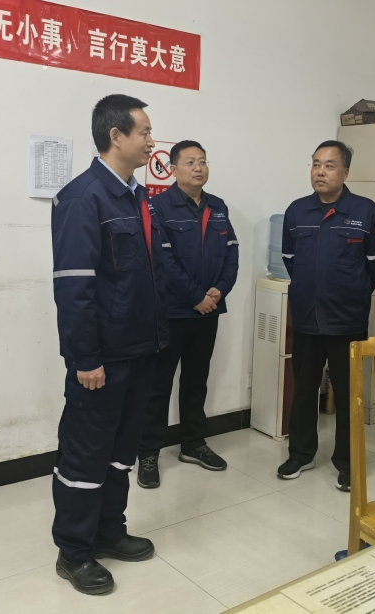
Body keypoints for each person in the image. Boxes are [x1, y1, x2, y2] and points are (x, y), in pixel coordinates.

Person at [50, 94, 169, 595]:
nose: (151, 141)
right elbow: (74, 286)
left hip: (139, 350)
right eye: (144, 132)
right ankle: (74, 552)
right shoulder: (83, 197)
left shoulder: (137, 197)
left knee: (121, 452)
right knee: (85, 455)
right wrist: (86, 358)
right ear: (116, 136)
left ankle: (108, 531)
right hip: (102, 358)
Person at [277, 141, 375, 492]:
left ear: (345, 172)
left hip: (347, 320)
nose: (320, 172)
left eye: (328, 165)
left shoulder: (365, 211)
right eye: (315, 164)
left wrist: (350, 294)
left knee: (349, 393)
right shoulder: (297, 211)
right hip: (306, 318)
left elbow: (374, 266)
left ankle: (348, 462)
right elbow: (290, 260)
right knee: (304, 390)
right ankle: (301, 454)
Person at [136, 140, 239, 488]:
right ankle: (148, 452)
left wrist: (219, 291)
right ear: (173, 169)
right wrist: (197, 297)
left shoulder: (218, 206)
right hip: (172, 313)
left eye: (203, 161)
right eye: (190, 162)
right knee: (158, 384)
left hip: (208, 312)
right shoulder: (157, 206)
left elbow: (231, 254)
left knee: (197, 381)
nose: (198, 168)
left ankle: (193, 444)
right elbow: (162, 261)